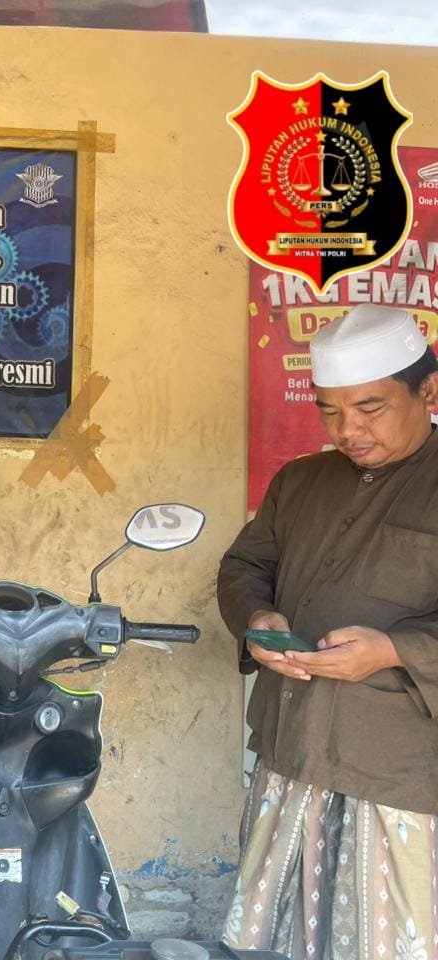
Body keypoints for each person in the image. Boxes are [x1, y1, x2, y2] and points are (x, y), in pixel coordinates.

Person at [217, 303, 438, 960]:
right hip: (295, 751)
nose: (349, 429)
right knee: (282, 935)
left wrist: (393, 650)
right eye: (330, 411)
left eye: (370, 408)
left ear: (429, 391)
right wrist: (257, 619)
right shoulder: (301, 480)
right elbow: (245, 565)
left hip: (401, 772)